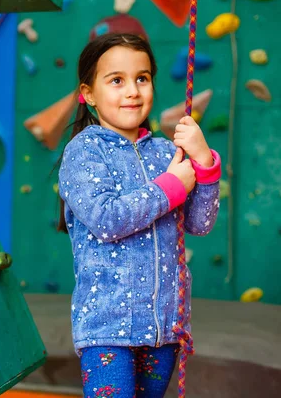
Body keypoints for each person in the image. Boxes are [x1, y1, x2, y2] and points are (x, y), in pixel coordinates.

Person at [57, 33, 221, 397]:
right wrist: (171, 186)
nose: (132, 91)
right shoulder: (84, 151)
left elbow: (199, 222)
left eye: (142, 78)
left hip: (163, 326)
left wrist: (204, 162)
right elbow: (106, 219)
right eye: (117, 80)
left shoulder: (167, 152)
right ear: (89, 93)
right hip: (107, 328)